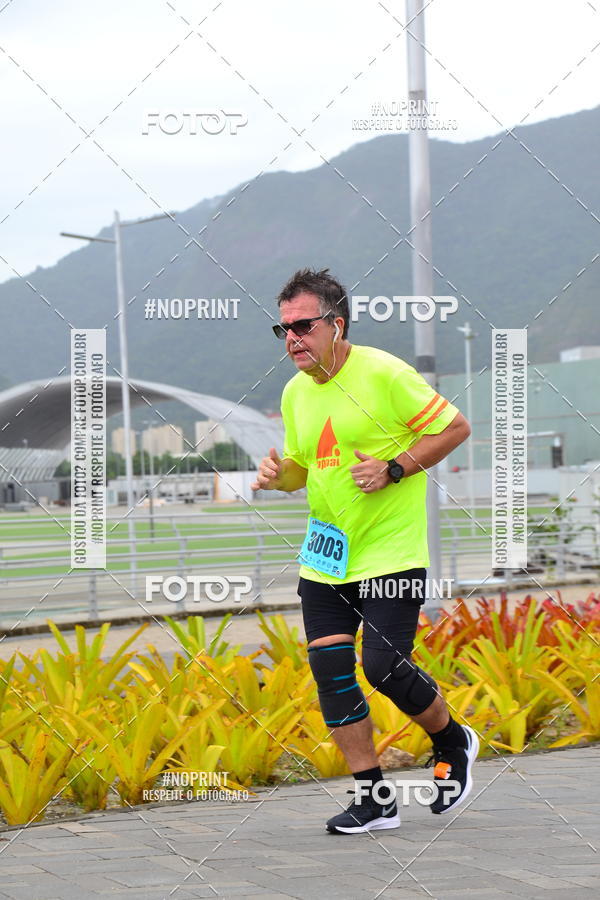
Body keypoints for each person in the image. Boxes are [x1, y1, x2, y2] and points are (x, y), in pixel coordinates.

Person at [251, 268, 478, 835]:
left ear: (337, 324)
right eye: (283, 329)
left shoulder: (384, 373)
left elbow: (455, 428)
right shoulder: (294, 393)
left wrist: (395, 467)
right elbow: (303, 469)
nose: (291, 339)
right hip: (326, 556)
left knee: (382, 666)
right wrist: (277, 477)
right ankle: (374, 799)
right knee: (331, 672)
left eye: (303, 326)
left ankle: (453, 739)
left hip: (390, 552)